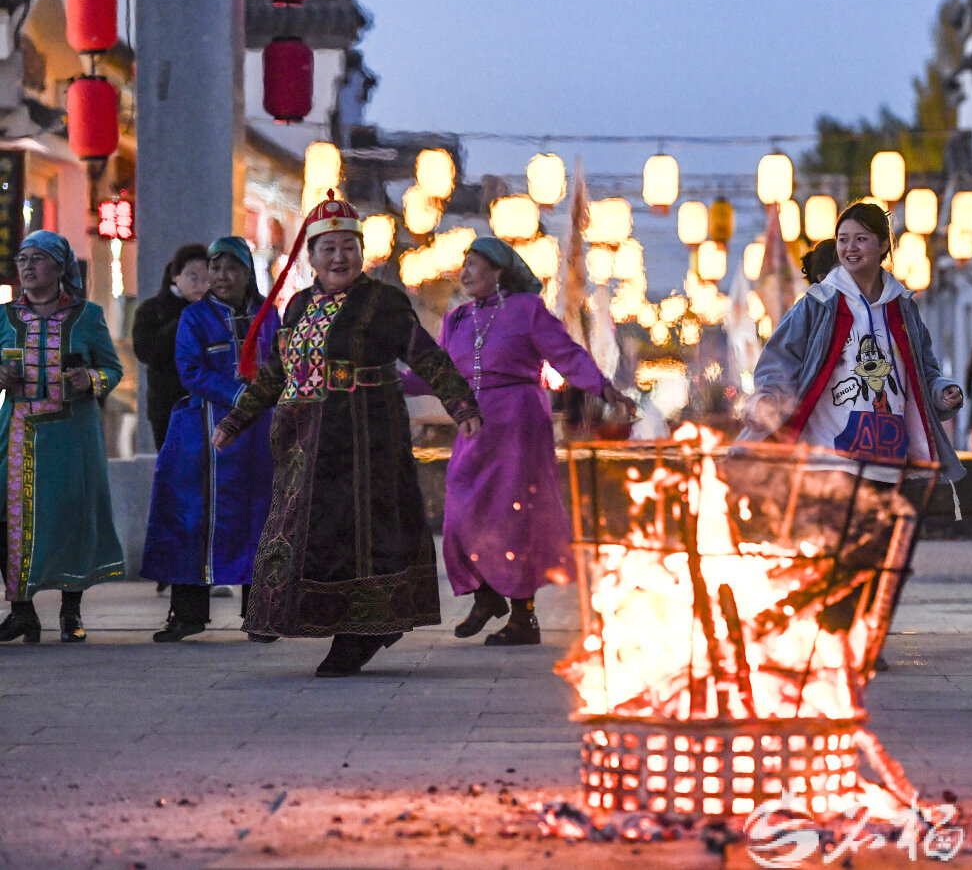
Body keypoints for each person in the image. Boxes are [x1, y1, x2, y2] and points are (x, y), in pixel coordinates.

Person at [210, 194, 480, 677]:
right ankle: (295, 611)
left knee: (361, 533)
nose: (339, 257)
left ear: (361, 252)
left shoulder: (382, 302)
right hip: (304, 442)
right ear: (311, 257)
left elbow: (426, 355)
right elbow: (275, 372)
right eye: (328, 248)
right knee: (307, 530)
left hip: (364, 438)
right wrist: (236, 420)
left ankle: (364, 630)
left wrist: (461, 405)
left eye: (348, 247)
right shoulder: (298, 306)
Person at [425, 237, 635, 646]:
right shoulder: (456, 319)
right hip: (473, 423)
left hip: (519, 422)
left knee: (516, 513)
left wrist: (604, 388)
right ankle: (485, 593)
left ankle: (523, 617)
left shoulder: (527, 309)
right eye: (464, 265)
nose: (465, 273)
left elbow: (566, 354)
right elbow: (434, 371)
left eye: (474, 265)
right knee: (460, 509)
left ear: (499, 271)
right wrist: (381, 379)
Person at [739, 201, 965, 483]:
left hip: (889, 460)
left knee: (886, 514)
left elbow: (925, 371)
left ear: (884, 245)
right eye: (843, 240)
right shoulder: (818, 304)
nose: (850, 248)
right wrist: (769, 397)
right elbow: (779, 360)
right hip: (828, 460)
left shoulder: (903, 308)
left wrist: (942, 392)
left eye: (861, 239)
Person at [139, 237, 279, 641]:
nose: (222, 276)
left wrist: (262, 398)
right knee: (190, 519)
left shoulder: (269, 315)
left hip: (259, 438)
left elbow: (280, 364)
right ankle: (187, 614)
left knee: (260, 517)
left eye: (232, 267)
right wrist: (241, 395)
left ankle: (261, 615)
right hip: (201, 436)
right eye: (215, 268)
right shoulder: (194, 317)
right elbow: (191, 371)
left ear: (248, 273)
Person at [0, 231, 125, 644]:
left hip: (72, 434)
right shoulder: (4, 317)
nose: (28, 266)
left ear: (59, 267)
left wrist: (89, 379)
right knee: (6, 515)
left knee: (73, 516)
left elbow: (112, 369)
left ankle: (71, 612)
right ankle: (22, 611)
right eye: (23, 259)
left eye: (38, 259)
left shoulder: (87, 316)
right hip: (16, 431)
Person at [132, 243, 210, 448]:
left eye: (206, 280)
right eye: (193, 277)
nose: (200, 285)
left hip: (207, 405)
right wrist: (184, 321)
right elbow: (145, 351)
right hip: (167, 406)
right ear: (176, 276)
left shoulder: (213, 312)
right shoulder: (153, 310)